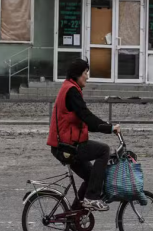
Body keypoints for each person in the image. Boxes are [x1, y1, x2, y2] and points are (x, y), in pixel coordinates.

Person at [47, 58, 120, 212]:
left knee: (92, 177)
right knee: (104, 150)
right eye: (86, 73)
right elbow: (86, 116)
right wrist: (109, 128)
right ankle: (91, 198)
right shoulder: (71, 91)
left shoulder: (69, 88)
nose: (87, 76)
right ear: (77, 74)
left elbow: (86, 121)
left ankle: (73, 217)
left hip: (65, 146)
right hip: (67, 147)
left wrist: (107, 127)